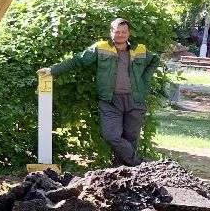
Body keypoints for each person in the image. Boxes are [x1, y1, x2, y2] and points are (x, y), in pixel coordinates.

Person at [40, 17, 162, 167]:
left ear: (129, 33)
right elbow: (77, 60)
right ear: (111, 32)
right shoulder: (101, 47)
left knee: (131, 140)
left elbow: (155, 60)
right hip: (110, 101)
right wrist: (52, 70)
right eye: (117, 31)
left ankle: (124, 171)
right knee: (111, 136)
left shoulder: (140, 49)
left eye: (123, 32)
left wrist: (145, 79)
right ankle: (140, 163)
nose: (120, 35)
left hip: (135, 100)